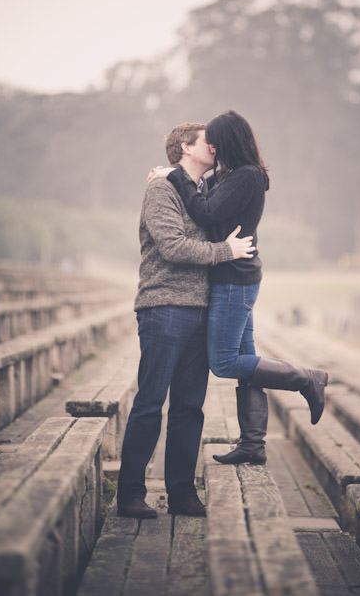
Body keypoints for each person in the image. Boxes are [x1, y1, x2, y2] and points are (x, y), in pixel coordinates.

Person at [156, 110, 329, 465]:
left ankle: (306, 379)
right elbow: (205, 198)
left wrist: (175, 177)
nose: (212, 146)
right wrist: (176, 176)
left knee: (224, 362)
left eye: (215, 140)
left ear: (229, 141)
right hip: (232, 276)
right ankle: (253, 444)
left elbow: (205, 212)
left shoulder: (247, 177)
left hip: (234, 279)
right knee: (248, 363)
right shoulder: (230, 174)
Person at [117, 123, 255, 519]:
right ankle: (129, 495)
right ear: (183, 147)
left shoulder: (203, 189)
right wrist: (224, 251)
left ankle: (181, 494)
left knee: (190, 408)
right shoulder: (160, 190)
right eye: (205, 140)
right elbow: (173, 246)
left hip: (201, 311)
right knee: (150, 402)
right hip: (164, 307)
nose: (214, 145)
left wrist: (171, 172)